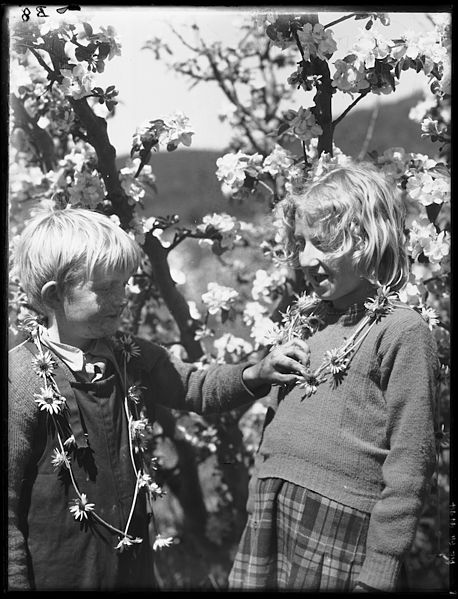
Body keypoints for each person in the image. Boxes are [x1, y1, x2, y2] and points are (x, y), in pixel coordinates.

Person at [8, 207, 311, 591]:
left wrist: (254, 374)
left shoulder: (130, 357)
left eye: (125, 284)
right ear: (55, 296)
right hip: (61, 573)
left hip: (133, 569)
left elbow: (193, 386)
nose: (122, 299)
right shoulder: (20, 382)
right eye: (105, 288)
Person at [228, 162, 439, 592]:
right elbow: (276, 420)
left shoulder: (402, 331)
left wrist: (381, 568)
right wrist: (257, 498)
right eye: (301, 242)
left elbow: (411, 460)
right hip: (274, 510)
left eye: (322, 243)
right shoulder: (306, 321)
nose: (306, 258)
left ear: (367, 240)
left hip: (339, 528)